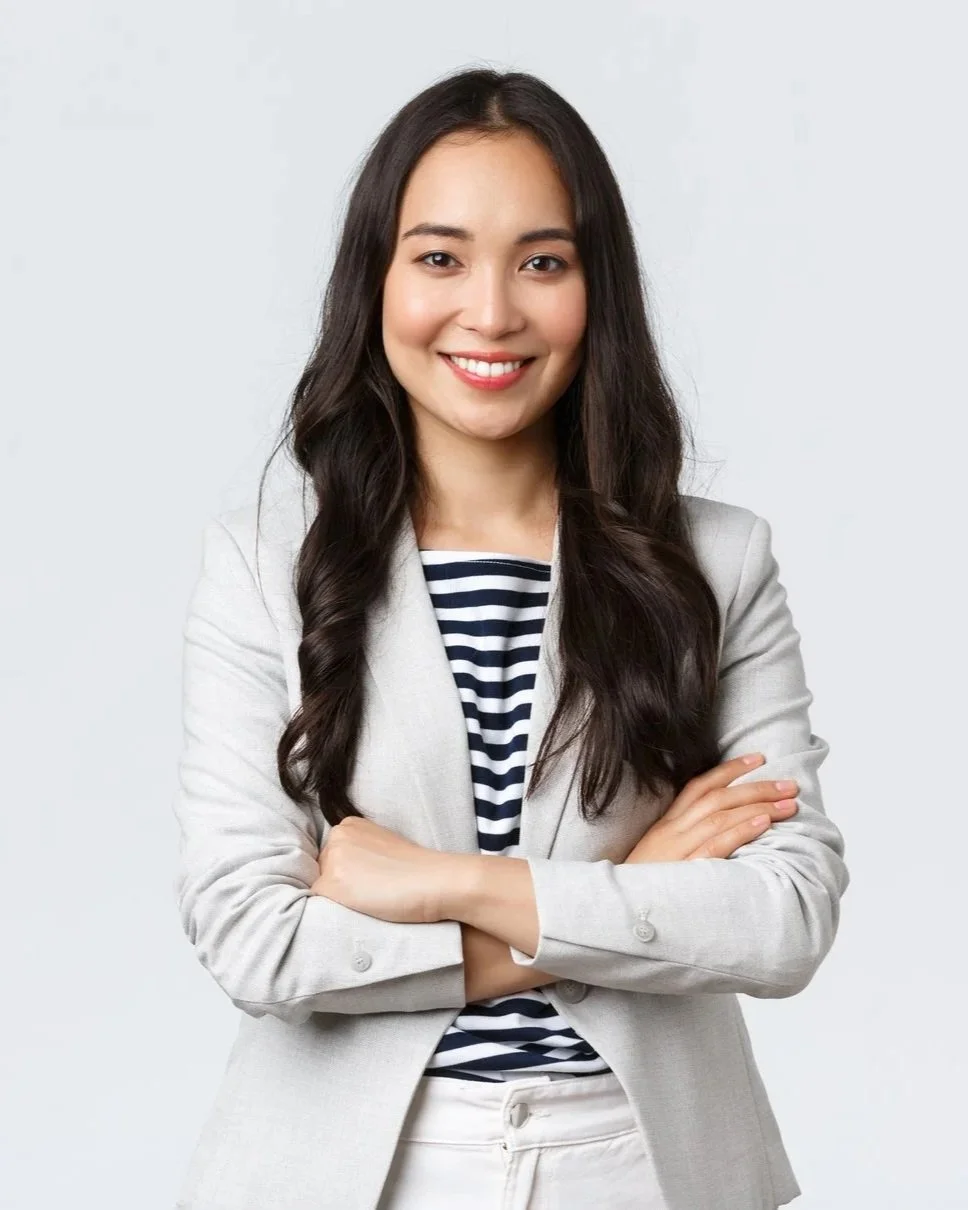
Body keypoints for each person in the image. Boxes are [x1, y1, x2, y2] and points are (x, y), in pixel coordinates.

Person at [171, 67, 849, 1210]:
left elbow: (781, 917)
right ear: (375, 281)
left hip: (647, 1168)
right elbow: (256, 940)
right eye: (439, 257)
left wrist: (445, 883)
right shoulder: (262, 564)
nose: (489, 311)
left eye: (542, 261)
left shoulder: (714, 561)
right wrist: (628, 890)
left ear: (597, 288)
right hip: (349, 1176)